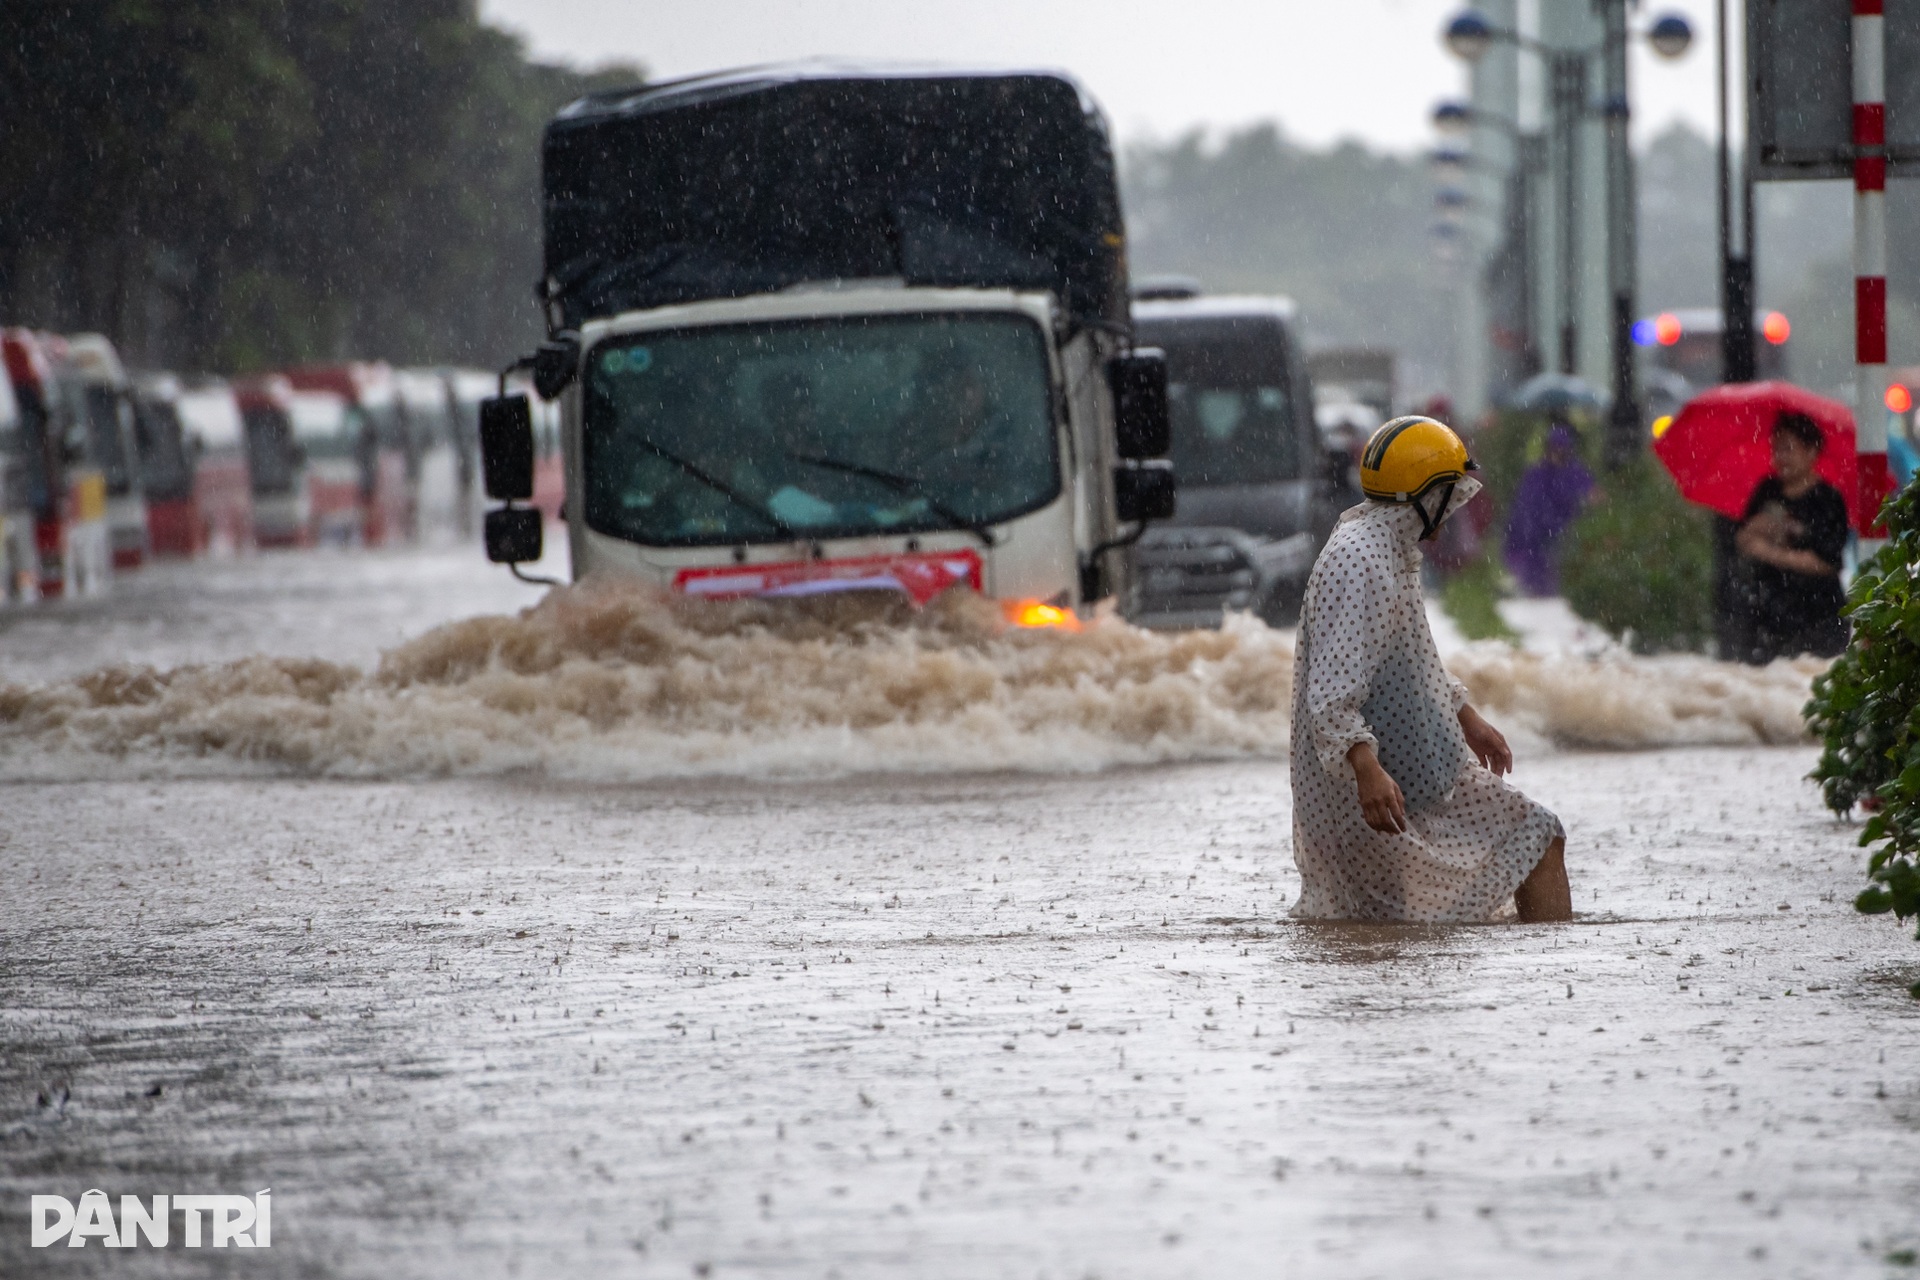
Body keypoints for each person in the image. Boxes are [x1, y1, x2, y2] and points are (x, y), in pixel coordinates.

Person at [1291, 415, 1570, 923]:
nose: (1456, 507)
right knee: (1537, 836)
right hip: (1381, 787)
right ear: (1424, 494)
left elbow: (1408, 661)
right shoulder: (1362, 561)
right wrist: (1367, 769)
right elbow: (1331, 693)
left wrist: (1467, 718)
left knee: (1399, 931)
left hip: (1407, 775)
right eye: (1451, 493)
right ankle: (1551, 979)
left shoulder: (1385, 546)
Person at [1731, 410, 1850, 663]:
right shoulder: (1767, 490)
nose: (1780, 458)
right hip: (1767, 613)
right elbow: (1743, 539)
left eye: (1788, 449)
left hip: (1817, 616)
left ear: (1811, 452)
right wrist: (1759, 528)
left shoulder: (1827, 500)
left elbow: (1825, 562)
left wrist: (1770, 552)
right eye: (1776, 449)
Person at [1502, 420, 1594, 597]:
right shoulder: (1537, 473)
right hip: (1538, 532)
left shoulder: (1575, 472)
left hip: (1565, 531)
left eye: (1562, 448)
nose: (1558, 452)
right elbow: (1526, 503)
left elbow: (1587, 494)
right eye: (1555, 447)